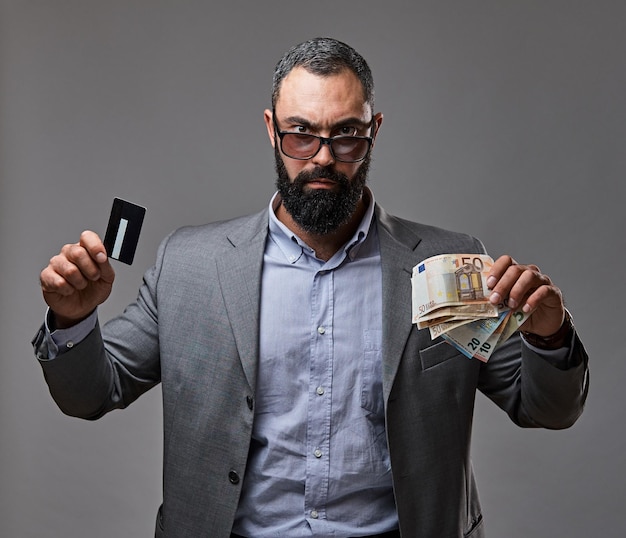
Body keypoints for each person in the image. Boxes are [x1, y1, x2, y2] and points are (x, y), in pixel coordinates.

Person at [33, 37, 589, 538]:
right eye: (302, 133)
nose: (323, 157)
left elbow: (543, 408)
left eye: (346, 134)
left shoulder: (447, 262)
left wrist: (548, 334)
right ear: (272, 130)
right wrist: (73, 322)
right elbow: (91, 393)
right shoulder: (189, 265)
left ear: (373, 133)